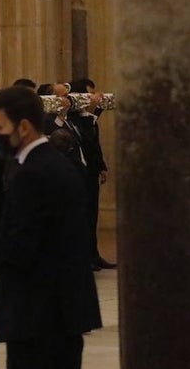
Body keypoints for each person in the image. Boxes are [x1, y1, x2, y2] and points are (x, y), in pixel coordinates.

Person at [0, 86, 101, 369]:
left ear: (23, 127)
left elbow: (20, 249)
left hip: (38, 315)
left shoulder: (31, 174)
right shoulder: (60, 163)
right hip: (63, 311)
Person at [69, 77, 115, 270]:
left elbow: (94, 142)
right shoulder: (73, 118)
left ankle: (93, 255)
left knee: (92, 215)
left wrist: (101, 165)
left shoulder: (85, 117)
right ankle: (85, 257)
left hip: (90, 172)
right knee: (83, 218)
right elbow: (86, 138)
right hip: (79, 173)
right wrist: (93, 110)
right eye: (89, 94)